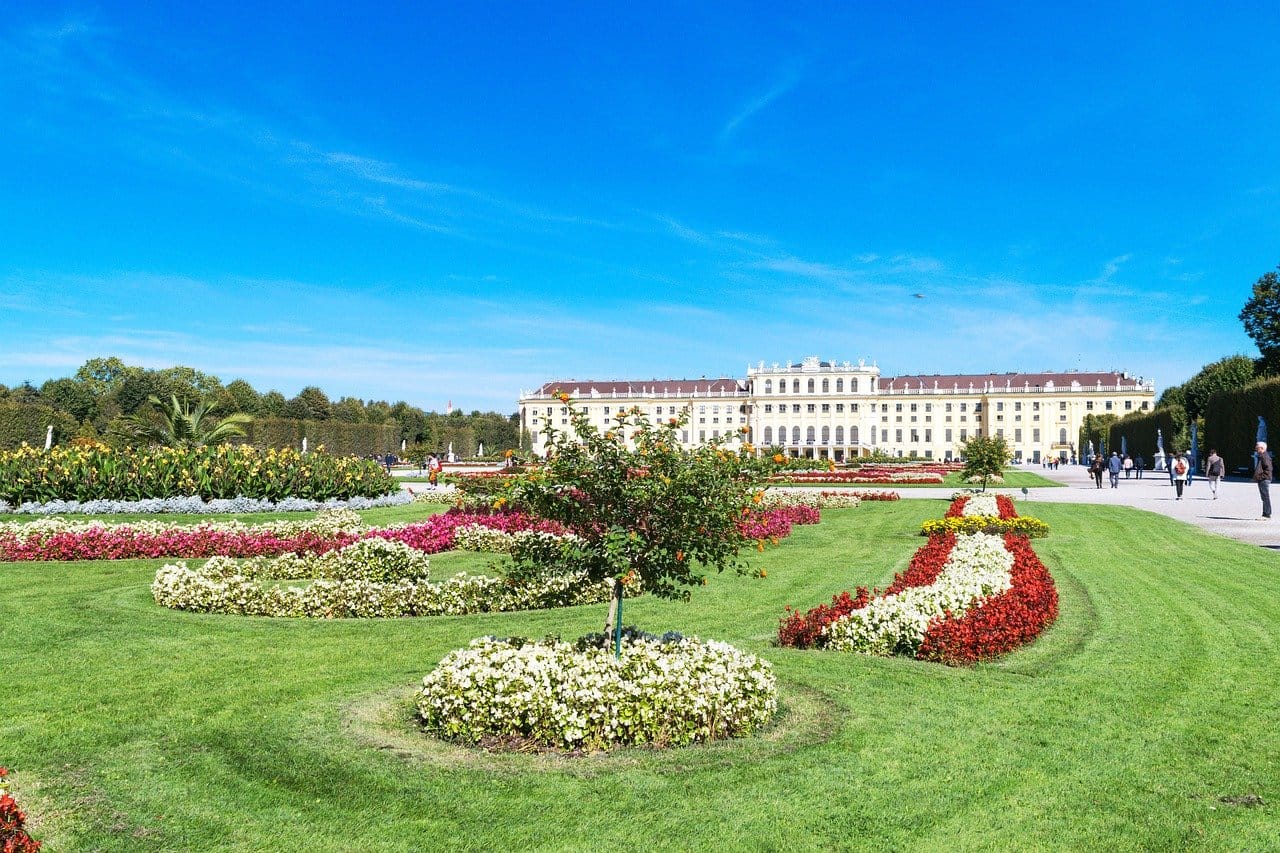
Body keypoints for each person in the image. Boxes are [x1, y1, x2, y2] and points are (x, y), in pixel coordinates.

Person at [1253, 441, 1273, 520]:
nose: (1256, 449)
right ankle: (1266, 514)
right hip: (1263, 479)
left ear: (1262, 448)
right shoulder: (1263, 456)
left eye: (1257, 447)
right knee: (1264, 497)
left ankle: (1266, 515)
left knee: (1265, 497)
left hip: (1264, 479)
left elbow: (1269, 469)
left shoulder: (1265, 457)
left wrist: (1261, 477)